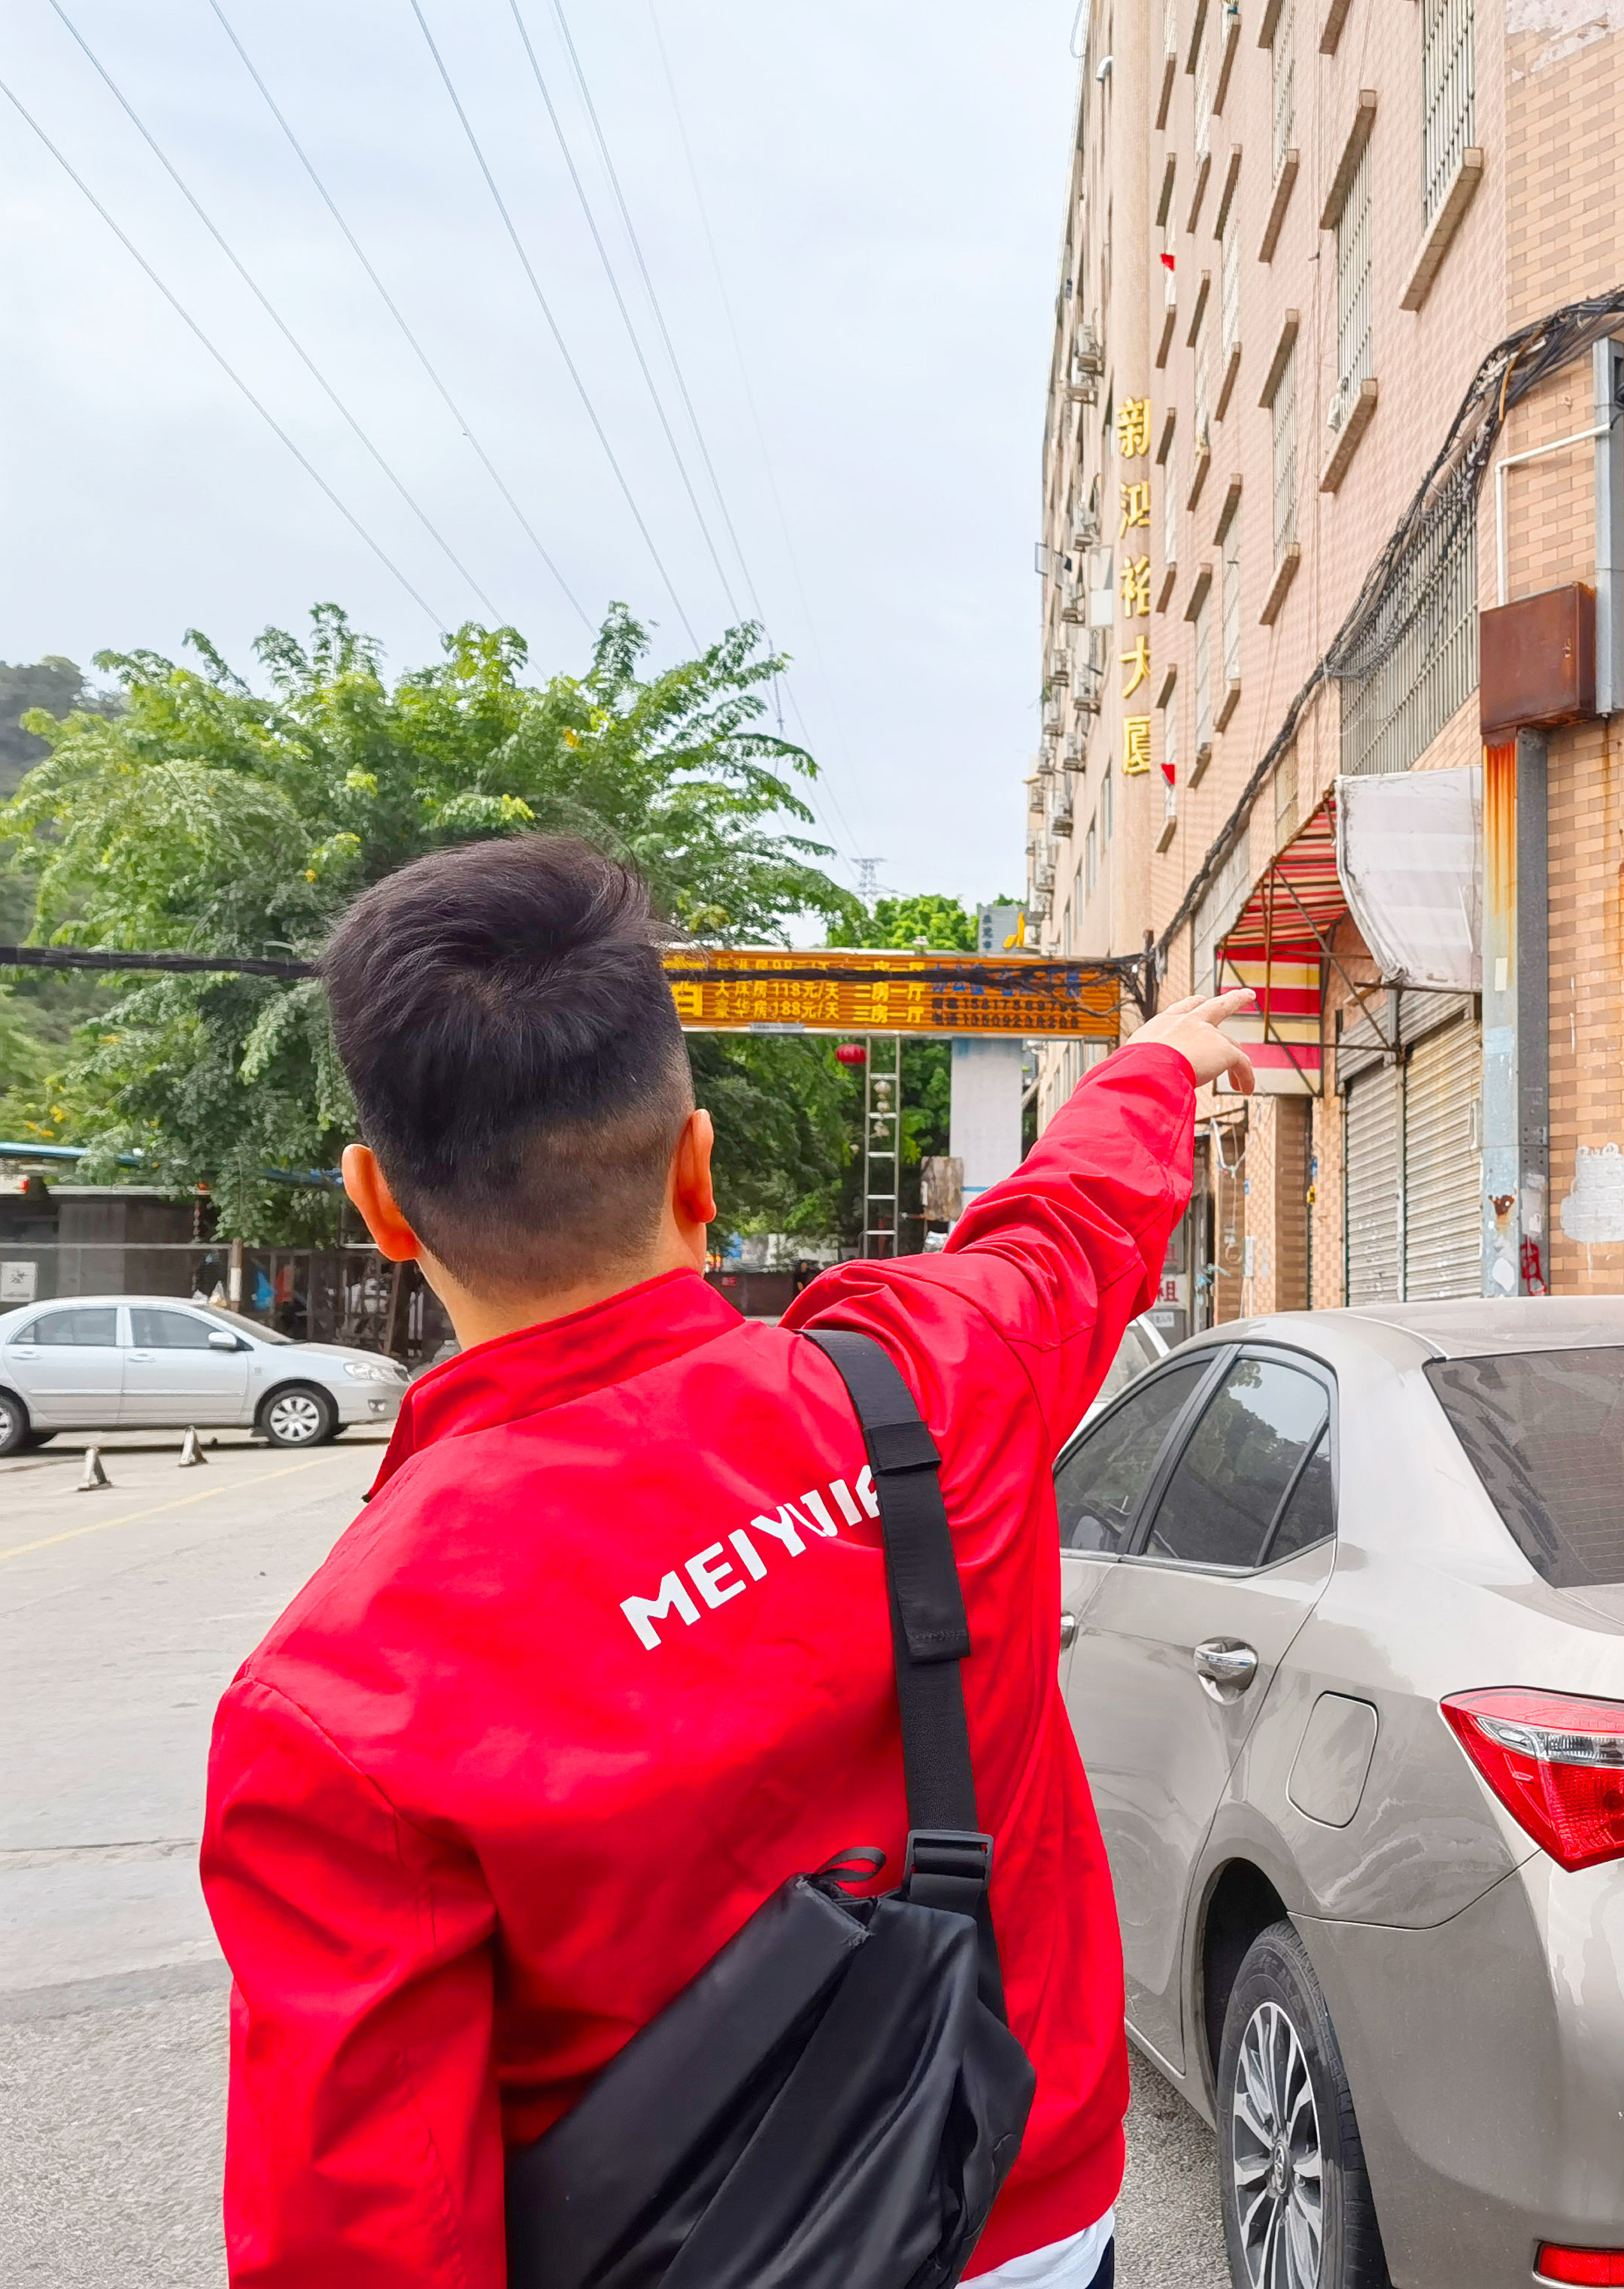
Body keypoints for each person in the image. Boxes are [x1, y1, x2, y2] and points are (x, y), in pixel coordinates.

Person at [198, 834, 1255, 2289]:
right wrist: (1154, 1068)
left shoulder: (336, 1695)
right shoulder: (930, 1383)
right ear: (698, 1168)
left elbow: (364, 2230)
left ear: (378, 1206)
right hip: (1024, 2213)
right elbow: (1066, 1225)